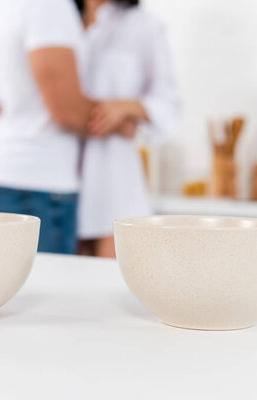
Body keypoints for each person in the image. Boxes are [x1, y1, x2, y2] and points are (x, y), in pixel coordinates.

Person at [0, 0, 133, 254]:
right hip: (35, 182)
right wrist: (125, 119)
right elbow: (67, 111)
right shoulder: (49, 5)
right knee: (49, 289)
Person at [75, 0, 180, 257]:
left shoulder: (144, 25)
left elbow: (170, 107)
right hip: (57, 179)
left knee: (110, 282)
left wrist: (126, 107)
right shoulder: (55, 17)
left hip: (114, 181)